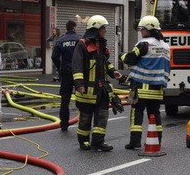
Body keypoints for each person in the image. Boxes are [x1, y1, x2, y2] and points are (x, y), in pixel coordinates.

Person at [120, 15, 171, 150]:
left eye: (142, 29)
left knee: (136, 115)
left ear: (148, 29)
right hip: (157, 88)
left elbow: (130, 59)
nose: (141, 32)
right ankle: (157, 140)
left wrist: (122, 55)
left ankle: (135, 142)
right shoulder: (166, 47)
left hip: (141, 87)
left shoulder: (144, 44)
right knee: (155, 115)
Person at [72, 15, 121, 152]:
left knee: (102, 117)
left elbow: (105, 62)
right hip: (87, 90)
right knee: (85, 119)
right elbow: (77, 65)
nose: (105, 30)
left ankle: (98, 142)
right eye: (103, 28)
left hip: (101, 89)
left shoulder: (101, 45)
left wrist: (114, 72)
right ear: (95, 29)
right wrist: (79, 84)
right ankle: (84, 141)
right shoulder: (82, 44)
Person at [51, 20, 81, 132]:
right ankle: (83, 120)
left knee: (65, 99)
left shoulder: (60, 40)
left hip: (66, 72)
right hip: (79, 71)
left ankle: (64, 124)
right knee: (82, 97)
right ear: (74, 27)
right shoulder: (80, 39)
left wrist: (60, 68)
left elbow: (54, 57)